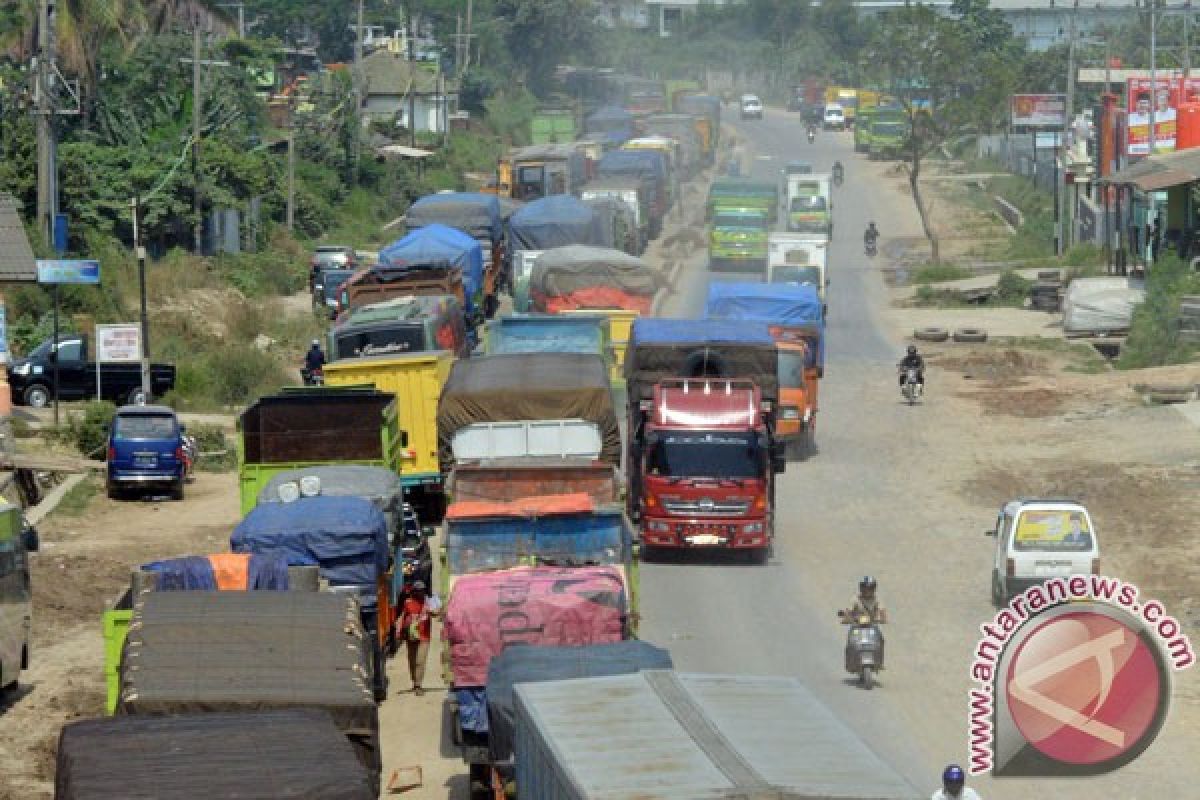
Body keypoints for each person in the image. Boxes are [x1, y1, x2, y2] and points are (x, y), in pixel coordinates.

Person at [397, 580, 441, 695]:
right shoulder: (408, 602)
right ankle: (415, 681)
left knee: (420, 661)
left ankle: (418, 685)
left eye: (422, 591)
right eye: (418, 591)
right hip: (411, 636)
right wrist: (400, 633)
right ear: (414, 592)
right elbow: (403, 617)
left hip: (424, 636)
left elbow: (437, 613)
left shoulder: (429, 602)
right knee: (412, 661)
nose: (420, 593)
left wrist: (432, 612)